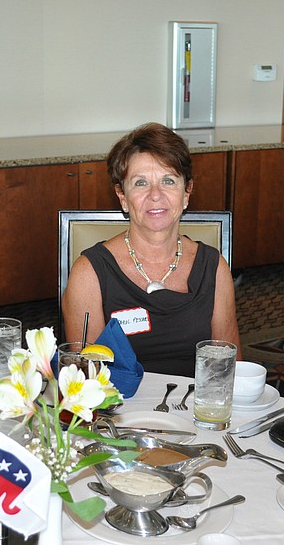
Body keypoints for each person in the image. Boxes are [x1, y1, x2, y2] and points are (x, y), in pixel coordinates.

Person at [62, 122, 240, 377]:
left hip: (197, 400)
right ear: (122, 197)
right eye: (140, 183)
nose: (155, 195)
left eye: (168, 180)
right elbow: (87, 378)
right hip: (119, 401)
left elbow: (229, 371)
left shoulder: (214, 268)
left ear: (186, 192)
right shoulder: (89, 273)